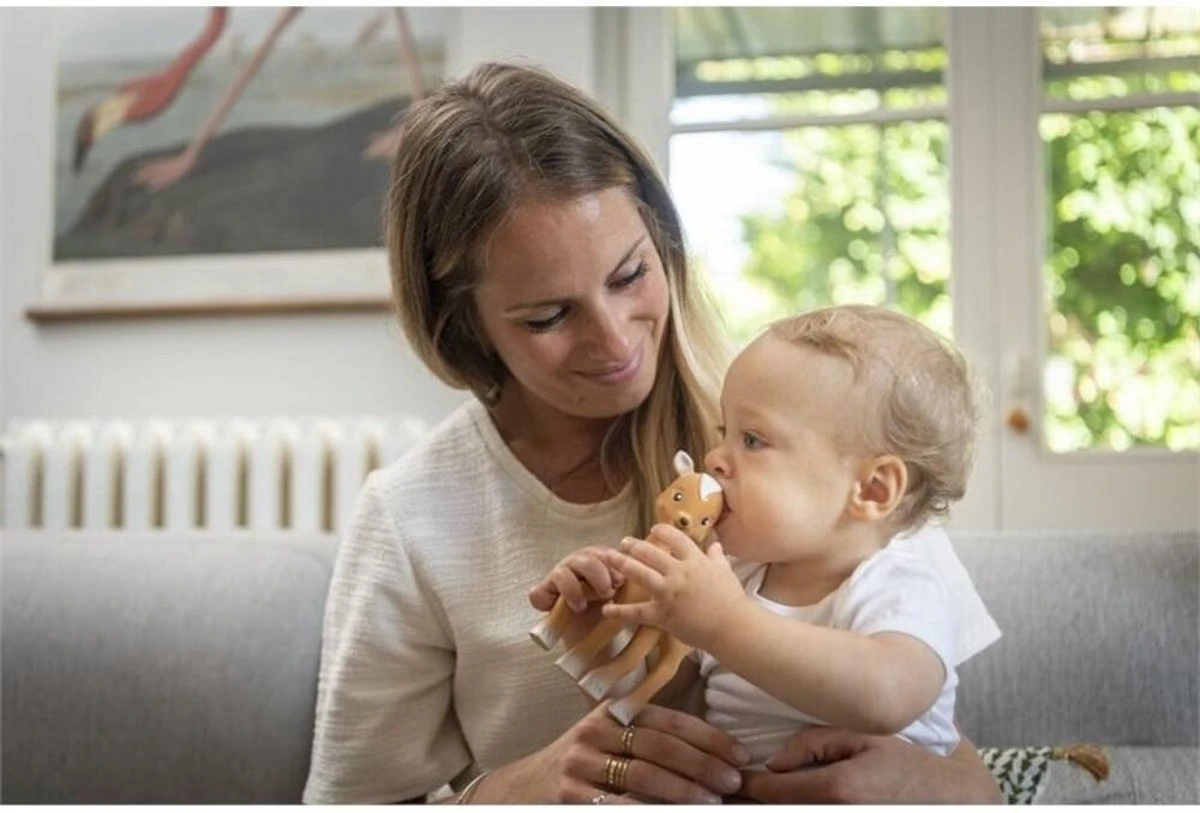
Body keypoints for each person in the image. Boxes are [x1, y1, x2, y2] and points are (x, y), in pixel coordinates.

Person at [302, 61, 1003, 804]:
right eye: (548, 316)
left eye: (629, 274)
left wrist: (943, 787)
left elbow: (926, 711)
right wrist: (526, 785)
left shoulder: (805, 434)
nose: (613, 341)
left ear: (662, 241)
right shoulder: (413, 514)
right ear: (466, 325)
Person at [548, 305, 982, 772]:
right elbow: (667, 710)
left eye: (752, 440)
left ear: (872, 490)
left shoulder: (899, 583)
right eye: (724, 433)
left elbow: (887, 698)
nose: (714, 458)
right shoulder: (735, 576)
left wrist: (725, 622)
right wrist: (599, 629)